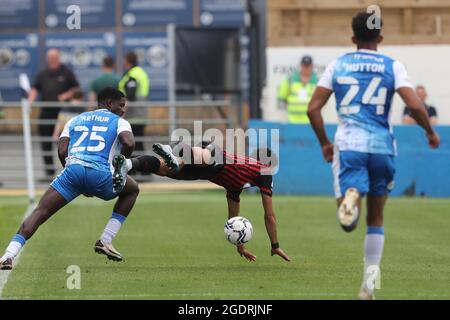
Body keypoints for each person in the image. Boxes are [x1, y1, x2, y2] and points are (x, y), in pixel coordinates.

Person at [307, 11, 440, 300]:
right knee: (376, 218)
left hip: (350, 145)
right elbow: (415, 105)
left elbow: (313, 108)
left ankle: (351, 198)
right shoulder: (393, 66)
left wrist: (324, 143)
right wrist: (429, 131)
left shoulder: (338, 65)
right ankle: (369, 288)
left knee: (349, 222)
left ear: (353, 38)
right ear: (380, 37)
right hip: (382, 148)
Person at [0, 87, 139, 270]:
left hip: (72, 171)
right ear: (109, 103)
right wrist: (118, 168)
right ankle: (106, 239)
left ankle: (7, 256)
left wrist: (76, 177)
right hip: (102, 175)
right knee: (132, 190)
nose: (123, 110)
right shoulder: (120, 122)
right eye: (121, 105)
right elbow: (129, 143)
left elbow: (62, 149)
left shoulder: (75, 119)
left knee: (40, 212)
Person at [112, 141, 291, 263]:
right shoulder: (264, 171)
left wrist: (240, 246)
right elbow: (270, 215)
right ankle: (174, 153)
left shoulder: (238, 184)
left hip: (205, 172)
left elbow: (233, 217)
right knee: (204, 157)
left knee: (164, 170)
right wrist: (275, 245)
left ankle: (127, 164)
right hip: (216, 155)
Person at [29, 49, 79, 180]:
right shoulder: (43, 74)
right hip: (46, 113)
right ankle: (49, 172)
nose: (52, 59)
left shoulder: (67, 72)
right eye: (49, 57)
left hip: (63, 114)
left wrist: (66, 95)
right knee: (45, 141)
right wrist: (30, 101)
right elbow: (35, 88)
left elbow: (76, 88)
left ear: (58, 58)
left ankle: (70, 172)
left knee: (66, 143)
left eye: (54, 57)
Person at [118, 52, 150, 155]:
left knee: (133, 144)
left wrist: (121, 114)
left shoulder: (133, 74)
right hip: (141, 114)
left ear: (127, 61)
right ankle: (143, 168)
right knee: (138, 143)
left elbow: (130, 97)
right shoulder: (141, 72)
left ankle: (139, 169)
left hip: (133, 115)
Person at [277, 55, 318, 124]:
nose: (306, 68)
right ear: (301, 66)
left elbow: (320, 100)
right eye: (304, 66)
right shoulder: (290, 80)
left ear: (312, 66)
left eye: (308, 66)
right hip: (292, 120)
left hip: (310, 122)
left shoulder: (317, 81)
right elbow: (282, 97)